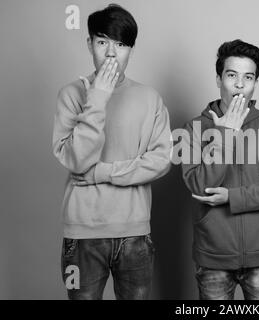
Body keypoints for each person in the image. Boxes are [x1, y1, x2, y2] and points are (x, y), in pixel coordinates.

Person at [52, 4, 171, 299]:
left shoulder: (149, 97)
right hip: (81, 237)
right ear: (89, 44)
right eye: (102, 41)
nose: (110, 53)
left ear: (130, 49)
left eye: (120, 44)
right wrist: (98, 97)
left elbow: (161, 161)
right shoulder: (71, 94)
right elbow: (77, 160)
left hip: (135, 234)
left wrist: (101, 173)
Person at [181, 39, 259, 300]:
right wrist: (226, 134)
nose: (240, 84)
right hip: (213, 256)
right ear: (218, 78)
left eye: (249, 77)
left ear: (256, 82)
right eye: (232, 75)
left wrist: (232, 198)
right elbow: (199, 185)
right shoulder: (194, 129)